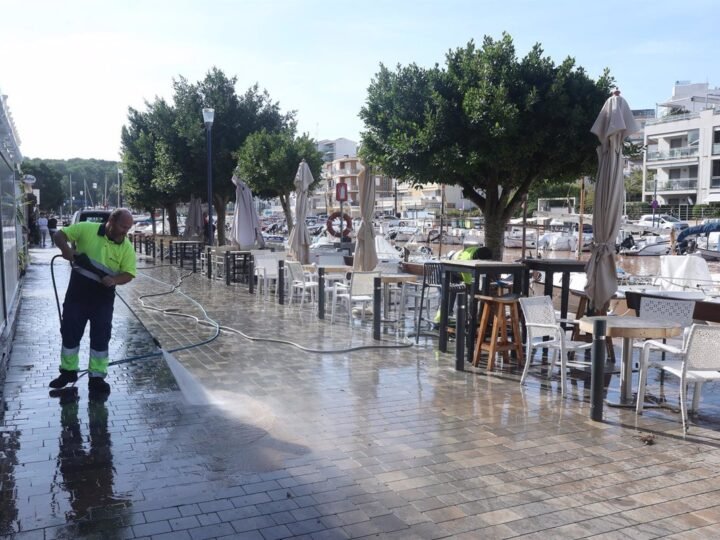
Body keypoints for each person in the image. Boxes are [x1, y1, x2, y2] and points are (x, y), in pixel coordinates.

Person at [49, 209, 137, 396]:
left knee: (100, 336)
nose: (125, 231)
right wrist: (66, 250)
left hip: (102, 299)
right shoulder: (86, 229)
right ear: (112, 220)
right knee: (70, 332)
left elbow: (129, 273)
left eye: (128, 228)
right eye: (123, 226)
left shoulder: (126, 248)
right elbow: (59, 234)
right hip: (77, 295)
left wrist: (114, 280)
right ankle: (68, 373)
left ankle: (97, 378)